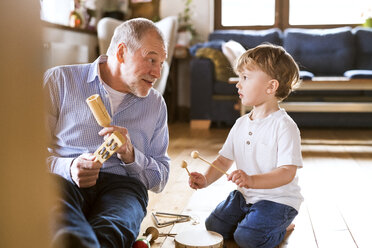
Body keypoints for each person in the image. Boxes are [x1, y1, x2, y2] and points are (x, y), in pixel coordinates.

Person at [43, 18, 170, 248]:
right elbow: (23, 155)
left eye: (161, 63)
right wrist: (68, 168)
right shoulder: (59, 81)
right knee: (60, 228)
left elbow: (160, 178)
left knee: (111, 232)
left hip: (124, 187)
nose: (157, 72)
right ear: (121, 53)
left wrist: (132, 156)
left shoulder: (156, 104)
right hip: (63, 181)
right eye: (152, 59)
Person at [188, 43, 303, 248]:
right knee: (214, 226)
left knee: (248, 239)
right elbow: (223, 160)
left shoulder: (285, 126)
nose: (237, 84)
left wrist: (251, 179)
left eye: (245, 78)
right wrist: (205, 179)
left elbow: (287, 172)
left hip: (278, 201)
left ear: (271, 86)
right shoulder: (240, 123)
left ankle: (281, 226)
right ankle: (254, 220)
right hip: (245, 197)